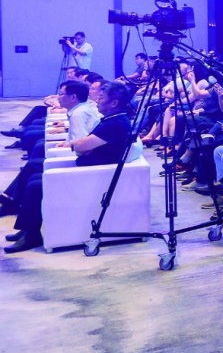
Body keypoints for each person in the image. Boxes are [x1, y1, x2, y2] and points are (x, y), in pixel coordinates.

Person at [4, 82, 134, 253]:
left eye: (101, 98)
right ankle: (27, 228)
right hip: (88, 167)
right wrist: (82, 146)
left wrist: (81, 146)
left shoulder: (116, 124)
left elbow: (81, 145)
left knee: (36, 185)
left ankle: (31, 234)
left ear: (114, 103)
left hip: (93, 176)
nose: (97, 101)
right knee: (34, 174)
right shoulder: (113, 120)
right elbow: (84, 144)